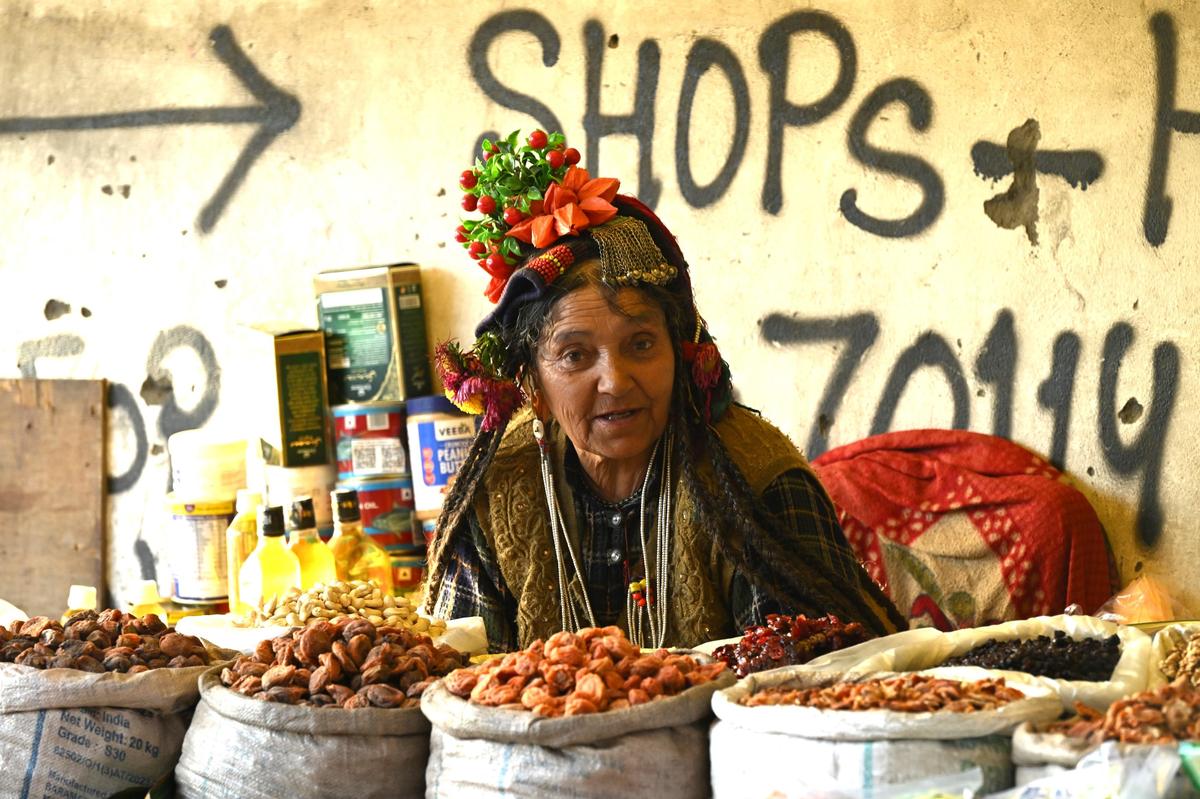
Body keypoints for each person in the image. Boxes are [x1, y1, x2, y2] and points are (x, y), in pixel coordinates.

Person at [426, 130, 904, 652]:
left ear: (681, 352)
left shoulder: (753, 479)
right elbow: (458, 686)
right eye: (575, 355)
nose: (615, 380)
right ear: (532, 385)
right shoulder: (496, 491)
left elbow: (813, 678)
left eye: (641, 343)